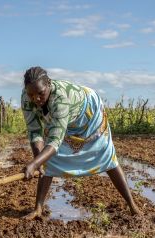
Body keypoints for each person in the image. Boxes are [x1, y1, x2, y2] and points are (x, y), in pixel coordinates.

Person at [21, 66, 141, 220]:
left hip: (89, 112)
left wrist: (34, 164)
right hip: (66, 119)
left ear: (49, 84)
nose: (36, 99)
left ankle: (132, 205)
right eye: (31, 94)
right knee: (48, 161)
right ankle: (38, 208)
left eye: (40, 93)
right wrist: (38, 162)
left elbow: (54, 142)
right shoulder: (27, 97)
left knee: (105, 154)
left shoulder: (61, 100)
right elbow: (34, 131)